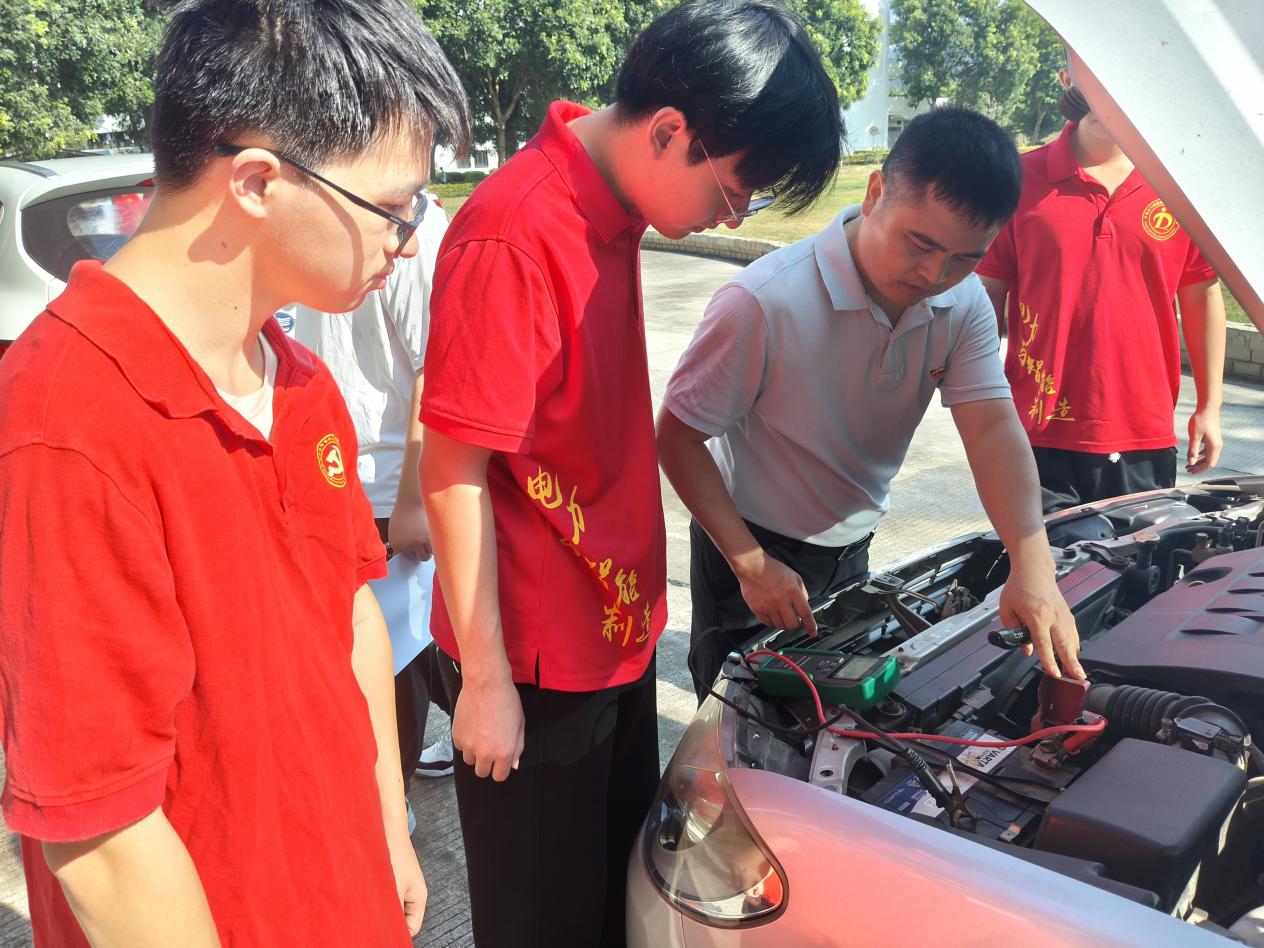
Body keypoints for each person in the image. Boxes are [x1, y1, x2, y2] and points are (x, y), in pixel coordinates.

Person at [0, 1, 470, 944]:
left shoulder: (299, 383)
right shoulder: (66, 423)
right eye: (392, 208)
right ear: (257, 180)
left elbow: (351, 615)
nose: (409, 238)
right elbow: (101, 834)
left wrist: (388, 825)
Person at [418, 2, 843, 944]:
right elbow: (451, 466)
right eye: (736, 190)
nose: (732, 216)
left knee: (616, 899)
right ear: (669, 131)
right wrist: (484, 682)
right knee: (542, 922)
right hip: (534, 660)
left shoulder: (611, 211)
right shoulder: (514, 232)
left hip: (613, 628)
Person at [657, 106, 1087, 704]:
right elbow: (676, 438)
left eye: (966, 256)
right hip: (748, 545)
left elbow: (992, 428)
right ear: (876, 191)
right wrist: (751, 565)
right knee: (739, 717)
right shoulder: (763, 301)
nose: (934, 273)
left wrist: (1032, 564)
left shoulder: (963, 304)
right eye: (920, 242)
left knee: (833, 718)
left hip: (853, 548)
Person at [977, 65, 1227, 513]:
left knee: (1142, 559)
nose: (1106, 96)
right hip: (1037, 431)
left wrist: (1210, 406)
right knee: (1047, 559)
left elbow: (1202, 295)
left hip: (1143, 432)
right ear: (1067, 79)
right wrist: (980, 401)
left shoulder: (1177, 186)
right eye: (1093, 76)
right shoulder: (1019, 179)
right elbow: (986, 295)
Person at [292, 199, 456, 791]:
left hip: (389, 483)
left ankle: (396, 793)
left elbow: (435, 367)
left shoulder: (412, 236)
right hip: (338, 470)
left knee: (396, 649)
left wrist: (412, 499)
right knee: (392, 637)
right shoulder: (328, 215)